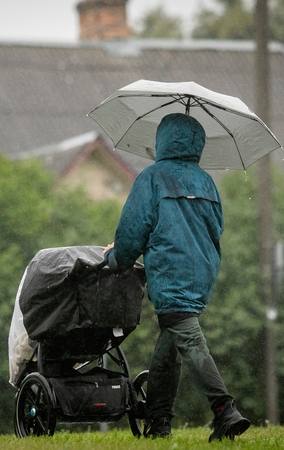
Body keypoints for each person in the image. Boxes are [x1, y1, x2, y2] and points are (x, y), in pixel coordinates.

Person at [103, 113, 250, 442]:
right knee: (169, 347)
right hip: (202, 271)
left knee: (189, 340)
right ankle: (159, 423)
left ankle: (225, 409)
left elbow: (132, 232)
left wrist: (116, 259)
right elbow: (216, 228)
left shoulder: (153, 177)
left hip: (170, 271)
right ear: (198, 144)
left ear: (162, 140)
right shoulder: (206, 181)